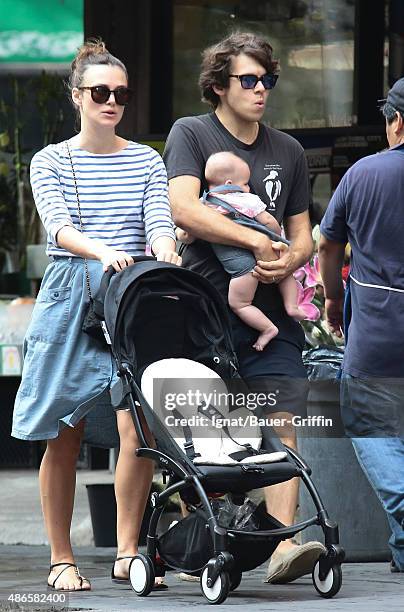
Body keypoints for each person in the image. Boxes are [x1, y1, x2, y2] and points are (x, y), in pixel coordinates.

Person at [11, 39, 180, 591]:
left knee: (139, 422)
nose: (112, 102)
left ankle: (127, 550)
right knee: (64, 429)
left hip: (131, 295)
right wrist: (100, 250)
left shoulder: (146, 159)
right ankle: (62, 557)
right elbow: (56, 225)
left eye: (121, 94)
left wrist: (167, 250)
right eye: (101, 92)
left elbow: (158, 219)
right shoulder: (50, 159)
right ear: (77, 97)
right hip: (71, 294)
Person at [164, 31, 325, 583]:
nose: (261, 91)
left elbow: (304, 234)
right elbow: (183, 208)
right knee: (203, 426)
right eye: (249, 80)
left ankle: (286, 543)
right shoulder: (192, 133)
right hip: (205, 309)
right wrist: (255, 241)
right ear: (218, 85)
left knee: (281, 417)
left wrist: (290, 259)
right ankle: (203, 540)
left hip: (272, 315)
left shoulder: (289, 151)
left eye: (268, 81)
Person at [319, 77, 404, 574]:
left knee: (373, 425)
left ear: (395, 121)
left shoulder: (362, 174)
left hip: (377, 325)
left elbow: (328, 246)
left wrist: (332, 298)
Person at [177, 151, 306, 351]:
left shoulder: (204, 206)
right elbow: (268, 221)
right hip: (264, 259)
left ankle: (267, 329)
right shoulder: (248, 199)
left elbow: (187, 234)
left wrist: (183, 236)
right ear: (230, 183)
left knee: (240, 305)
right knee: (284, 273)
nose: (248, 187)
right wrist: (275, 236)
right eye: (245, 182)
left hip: (242, 269)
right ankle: (290, 306)